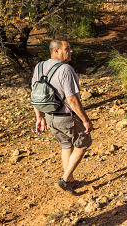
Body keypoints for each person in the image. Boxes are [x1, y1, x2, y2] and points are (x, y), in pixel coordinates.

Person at [32, 39, 93, 195]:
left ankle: (71, 181)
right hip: (67, 117)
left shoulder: (39, 67)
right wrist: (85, 120)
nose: (71, 51)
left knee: (66, 146)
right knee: (83, 143)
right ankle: (65, 179)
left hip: (50, 118)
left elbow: (35, 95)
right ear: (56, 51)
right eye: (67, 48)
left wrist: (39, 118)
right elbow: (72, 99)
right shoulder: (66, 69)